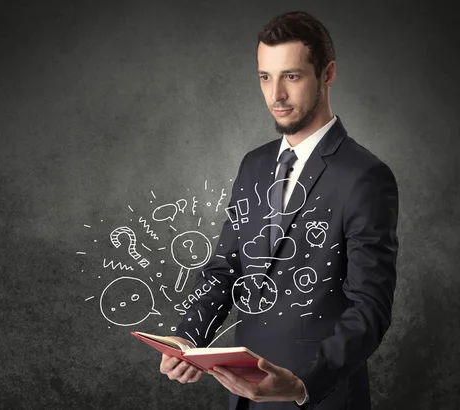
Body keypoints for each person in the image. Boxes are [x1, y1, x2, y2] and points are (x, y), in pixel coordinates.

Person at [159, 10, 399, 410]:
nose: (276, 96)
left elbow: (370, 308)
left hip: (323, 397)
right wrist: (189, 338)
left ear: (327, 74)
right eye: (265, 78)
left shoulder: (366, 177)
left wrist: (304, 384)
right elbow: (226, 268)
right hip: (246, 397)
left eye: (291, 76)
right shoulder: (254, 165)